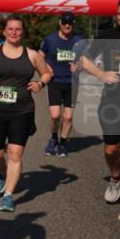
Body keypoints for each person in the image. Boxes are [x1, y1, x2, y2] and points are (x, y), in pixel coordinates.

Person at [0, 15, 52, 213]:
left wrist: (40, 83)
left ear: (23, 32)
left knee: (15, 153)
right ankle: (2, 172)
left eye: (18, 29)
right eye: (10, 29)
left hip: (22, 110)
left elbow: (47, 72)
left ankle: (8, 195)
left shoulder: (32, 55)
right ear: (4, 31)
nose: (14, 32)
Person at [77, 0, 120, 224]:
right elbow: (84, 59)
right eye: (119, 14)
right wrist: (102, 74)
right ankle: (116, 176)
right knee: (111, 150)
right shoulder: (108, 36)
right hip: (113, 103)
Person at [39, 13, 86, 157]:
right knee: (55, 115)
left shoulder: (80, 41)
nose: (67, 26)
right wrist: (46, 67)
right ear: (60, 23)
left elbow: (87, 61)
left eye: (70, 23)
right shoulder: (50, 39)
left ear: (73, 24)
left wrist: (79, 67)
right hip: (55, 81)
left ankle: (63, 144)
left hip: (72, 83)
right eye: (64, 23)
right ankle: (53, 138)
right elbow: (40, 56)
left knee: (68, 117)